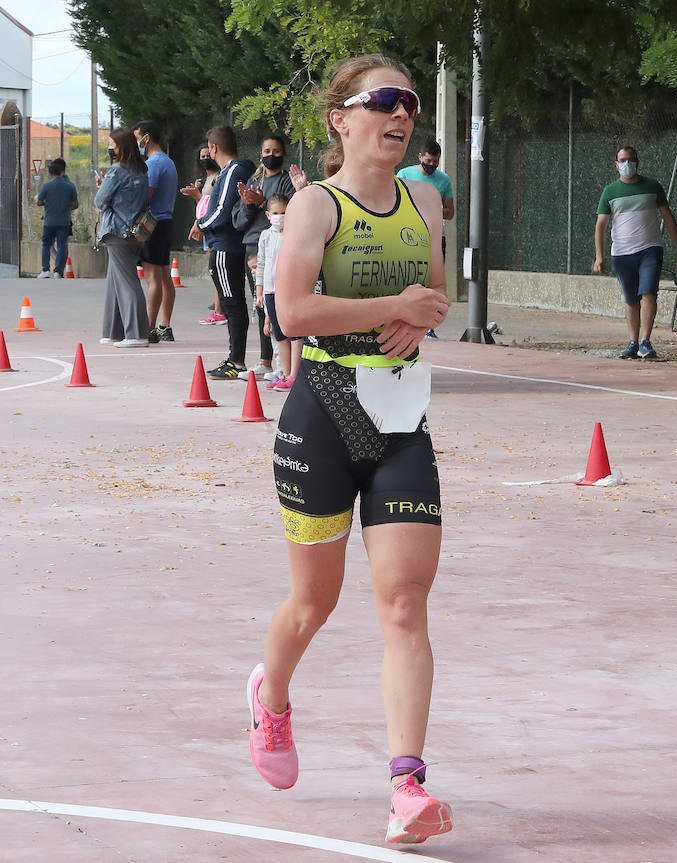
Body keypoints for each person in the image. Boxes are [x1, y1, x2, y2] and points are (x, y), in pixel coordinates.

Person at [250, 54, 453, 845]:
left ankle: (407, 784)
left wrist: (419, 314)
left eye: (410, 101)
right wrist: (390, 305)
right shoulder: (315, 207)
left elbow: (436, 296)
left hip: (402, 416)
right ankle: (270, 700)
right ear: (341, 117)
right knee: (315, 602)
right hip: (322, 414)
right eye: (385, 101)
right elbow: (292, 313)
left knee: (404, 604)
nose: (402, 114)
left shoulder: (426, 202)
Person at [592, 146, 677, 360]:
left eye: (630, 160)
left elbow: (668, 217)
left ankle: (645, 341)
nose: (627, 164)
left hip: (650, 249)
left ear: (637, 162)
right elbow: (601, 226)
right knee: (631, 299)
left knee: (649, 293)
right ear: (616, 164)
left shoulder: (653, 186)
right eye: (622, 161)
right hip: (622, 254)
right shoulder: (610, 191)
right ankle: (633, 342)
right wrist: (599, 256)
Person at [235, 134, 304, 380]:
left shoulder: (286, 182)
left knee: (279, 310)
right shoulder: (253, 181)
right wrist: (248, 203)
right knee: (261, 306)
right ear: (260, 154)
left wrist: (262, 201)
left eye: (276, 151)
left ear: (283, 154)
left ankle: (281, 366)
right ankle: (266, 360)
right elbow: (239, 221)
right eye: (266, 151)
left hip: (279, 250)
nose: (270, 155)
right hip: (254, 247)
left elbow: (292, 212)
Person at [197, 126, 255, 380]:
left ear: (214, 148)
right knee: (234, 304)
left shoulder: (233, 170)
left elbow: (222, 211)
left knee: (232, 304)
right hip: (229, 245)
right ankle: (237, 358)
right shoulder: (230, 172)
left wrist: (201, 225)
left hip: (226, 246)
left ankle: (236, 360)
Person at [94, 128, 151, 348]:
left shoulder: (116, 171)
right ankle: (113, 331)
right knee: (115, 280)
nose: (110, 148)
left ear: (121, 147)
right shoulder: (141, 170)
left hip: (116, 230)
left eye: (112, 144)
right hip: (136, 231)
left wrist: (103, 189)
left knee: (127, 282)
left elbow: (100, 201)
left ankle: (136, 334)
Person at [397, 140, 455, 338]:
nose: (431, 165)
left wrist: (435, 209)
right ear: (420, 157)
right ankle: (404, 318)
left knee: (433, 281)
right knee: (408, 278)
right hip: (408, 235)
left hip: (435, 237)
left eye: (435, 162)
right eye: (428, 161)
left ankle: (429, 325)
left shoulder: (443, 180)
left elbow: (450, 212)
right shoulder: (404, 175)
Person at [133, 120, 179, 344]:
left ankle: (149, 328)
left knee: (152, 278)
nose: (136, 144)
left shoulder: (153, 164)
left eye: (137, 138)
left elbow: (146, 195)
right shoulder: (169, 162)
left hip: (152, 223)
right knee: (163, 276)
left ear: (146, 138)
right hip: (167, 222)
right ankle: (165, 325)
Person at [256, 194, 302, 390]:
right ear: (268, 215)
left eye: (284, 213)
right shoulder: (266, 236)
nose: (280, 217)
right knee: (279, 334)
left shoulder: (294, 234)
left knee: (295, 333)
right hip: (270, 291)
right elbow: (261, 264)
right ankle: (284, 372)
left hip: (289, 289)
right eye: (276, 213)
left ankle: (295, 374)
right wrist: (259, 292)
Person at [183, 143, 226, 325]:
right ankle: (218, 306)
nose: (205, 159)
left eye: (208, 155)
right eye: (202, 157)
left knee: (216, 269)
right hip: (205, 229)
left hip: (212, 229)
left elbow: (211, 206)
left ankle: (220, 310)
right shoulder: (205, 179)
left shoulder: (218, 178)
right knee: (213, 270)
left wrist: (197, 196)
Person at [35, 158, 78, 278]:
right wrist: (64, 205)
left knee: (46, 244)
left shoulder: (47, 186)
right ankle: (58, 271)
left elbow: (39, 202)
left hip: (49, 221)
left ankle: (45, 270)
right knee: (62, 245)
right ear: (61, 171)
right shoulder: (70, 186)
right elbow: (75, 204)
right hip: (64, 221)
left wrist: (48, 204)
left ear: (50, 173)